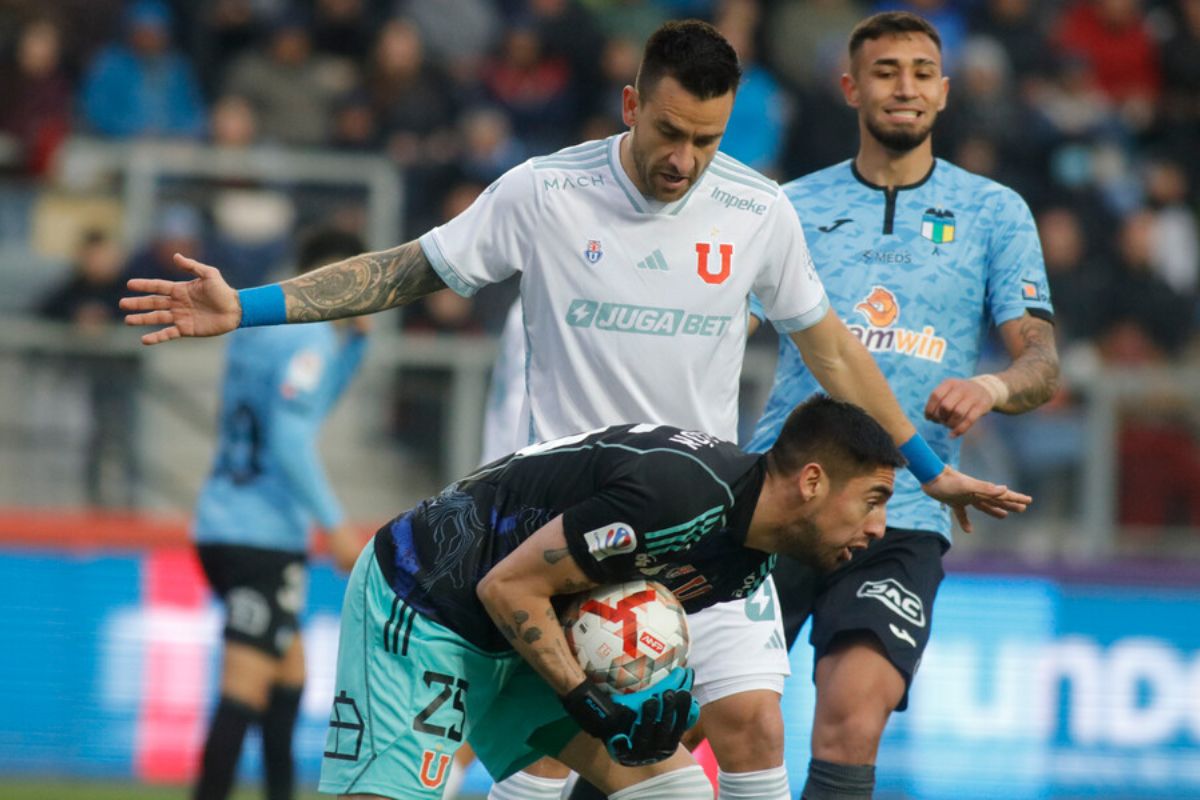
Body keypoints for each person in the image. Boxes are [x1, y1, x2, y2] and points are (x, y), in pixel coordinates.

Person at [122, 20, 1029, 799]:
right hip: (565, 529)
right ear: (631, 106)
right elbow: (408, 269)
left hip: (707, 518)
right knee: (548, 768)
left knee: (749, 724)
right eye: (670, 132)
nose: (684, 162)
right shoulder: (545, 192)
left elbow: (833, 350)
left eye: (707, 142)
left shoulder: (757, 211)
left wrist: (922, 464)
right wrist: (254, 303)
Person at [743, 13, 1060, 800]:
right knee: (678, 714)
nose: (905, 87)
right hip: (781, 493)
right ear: (851, 87)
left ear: (945, 91)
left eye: (922, 71)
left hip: (904, 510)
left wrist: (992, 386)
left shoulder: (993, 213)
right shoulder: (789, 207)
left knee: (852, 718)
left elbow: (1042, 362)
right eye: (885, 71)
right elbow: (715, 326)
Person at [327, 396, 904, 799]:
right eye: (872, 499)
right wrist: (585, 699)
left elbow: (601, 615)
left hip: (519, 631)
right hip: (427, 597)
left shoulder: (746, 567)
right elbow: (507, 584)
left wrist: (646, 706)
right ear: (811, 482)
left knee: (675, 790)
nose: (879, 526)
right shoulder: (678, 494)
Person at [191, 228, 371, 800]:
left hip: (225, 519)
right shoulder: (310, 338)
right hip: (259, 537)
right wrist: (337, 526)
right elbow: (292, 439)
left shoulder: (257, 330)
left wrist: (357, 347)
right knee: (245, 686)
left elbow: (293, 410)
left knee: (288, 677)